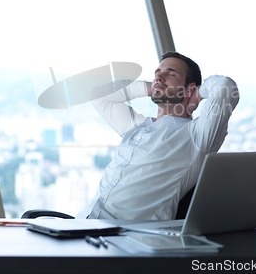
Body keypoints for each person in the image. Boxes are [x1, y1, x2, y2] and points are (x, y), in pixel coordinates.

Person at [76, 52, 239, 220]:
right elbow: (99, 96)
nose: (159, 76)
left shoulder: (196, 136)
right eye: (157, 73)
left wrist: (198, 94)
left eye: (171, 73)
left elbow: (226, 87)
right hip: (83, 223)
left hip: (125, 237)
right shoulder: (137, 127)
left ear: (190, 88)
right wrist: (151, 87)